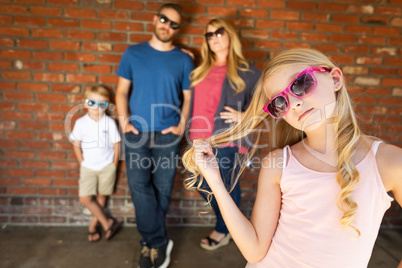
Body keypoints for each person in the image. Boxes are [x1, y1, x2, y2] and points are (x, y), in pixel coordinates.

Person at [183, 48, 402, 267]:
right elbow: (255, 251)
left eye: (301, 84)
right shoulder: (279, 163)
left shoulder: (388, 162)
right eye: (280, 102)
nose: (294, 103)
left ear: (335, 79)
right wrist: (215, 181)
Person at [115, 3, 193, 268]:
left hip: (167, 133)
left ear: (177, 29)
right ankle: (158, 241)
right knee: (138, 185)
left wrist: (181, 126)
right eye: (164, 20)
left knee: (162, 188)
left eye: (174, 24)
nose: (167, 26)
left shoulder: (183, 59)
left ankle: (149, 243)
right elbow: (122, 91)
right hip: (136, 132)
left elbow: (188, 96)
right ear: (154, 19)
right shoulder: (133, 53)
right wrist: (124, 122)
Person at [188, 18, 260, 251]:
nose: (214, 38)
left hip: (225, 140)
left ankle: (224, 229)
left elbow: (266, 103)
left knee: (225, 187)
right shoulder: (201, 70)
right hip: (197, 139)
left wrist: (244, 116)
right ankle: (228, 224)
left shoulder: (247, 72)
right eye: (209, 35)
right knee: (200, 183)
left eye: (219, 32)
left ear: (230, 35)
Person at [70, 86, 122, 242]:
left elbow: (116, 144)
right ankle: (107, 223)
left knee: (102, 196)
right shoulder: (80, 123)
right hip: (88, 166)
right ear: (85, 103)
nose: (96, 107)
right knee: (85, 198)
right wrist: (81, 162)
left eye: (101, 104)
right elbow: (76, 143)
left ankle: (93, 226)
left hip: (107, 166)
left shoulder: (109, 123)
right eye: (91, 102)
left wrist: (114, 165)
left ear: (107, 106)